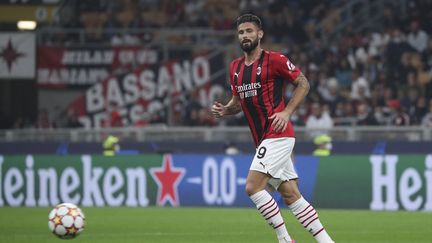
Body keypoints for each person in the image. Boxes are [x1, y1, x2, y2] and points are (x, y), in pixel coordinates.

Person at [211, 14, 334, 243]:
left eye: (249, 31)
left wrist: (286, 112)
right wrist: (225, 110)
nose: (245, 36)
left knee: (252, 187)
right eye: (241, 32)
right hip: (262, 139)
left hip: (278, 134)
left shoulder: (275, 60)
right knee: (290, 194)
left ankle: (285, 239)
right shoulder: (235, 68)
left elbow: (303, 83)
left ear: (260, 34)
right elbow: (238, 103)